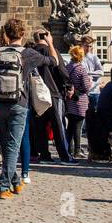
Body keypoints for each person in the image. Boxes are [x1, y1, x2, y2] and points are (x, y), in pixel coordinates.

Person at [0, 18, 50, 199]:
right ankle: (3, 185)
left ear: (6, 34)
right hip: (20, 104)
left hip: (0, 104)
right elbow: (54, 61)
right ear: (22, 34)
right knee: (13, 147)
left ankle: (16, 182)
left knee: (7, 145)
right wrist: (50, 42)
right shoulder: (28, 53)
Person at [27, 30, 73, 162]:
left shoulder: (31, 53)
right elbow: (61, 70)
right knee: (58, 126)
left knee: (39, 127)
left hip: (36, 96)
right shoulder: (51, 51)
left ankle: (45, 155)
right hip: (53, 92)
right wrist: (69, 86)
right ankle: (65, 156)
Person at [63, 45, 92, 156]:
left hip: (70, 100)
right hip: (80, 101)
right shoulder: (81, 69)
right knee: (78, 127)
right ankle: (77, 151)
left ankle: (68, 150)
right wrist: (89, 81)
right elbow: (86, 87)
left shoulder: (68, 67)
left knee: (70, 126)